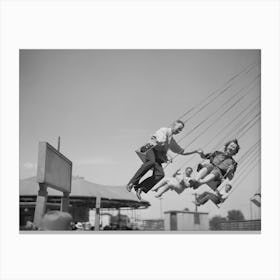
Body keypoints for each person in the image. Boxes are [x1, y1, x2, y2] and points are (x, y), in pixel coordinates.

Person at [126, 120, 201, 200]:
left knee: (160, 174)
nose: (178, 131)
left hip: (158, 156)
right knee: (151, 162)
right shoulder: (163, 130)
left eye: (180, 130)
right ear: (173, 125)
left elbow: (182, 152)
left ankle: (140, 188)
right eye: (178, 128)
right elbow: (160, 141)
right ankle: (131, 183)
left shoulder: (171, 141)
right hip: (150, 148)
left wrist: (195, 151)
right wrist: (167, 155)